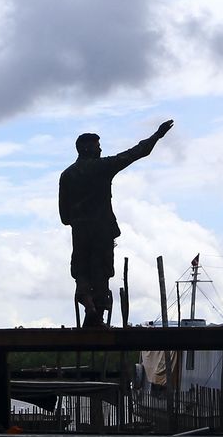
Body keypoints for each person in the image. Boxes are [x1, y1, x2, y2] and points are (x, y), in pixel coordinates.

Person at [59, 120, 174, 327]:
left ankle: (88, 304)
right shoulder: (103, 167)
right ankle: (98, 314)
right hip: (102, 228)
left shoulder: (67, 175)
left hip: (80, 229)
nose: (101, 149)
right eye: (97, 146)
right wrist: (157, 135)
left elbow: (64, 216)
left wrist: (78, 220)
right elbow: (136, 153)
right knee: (102, 270)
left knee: (81, 269)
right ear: (87, 148)